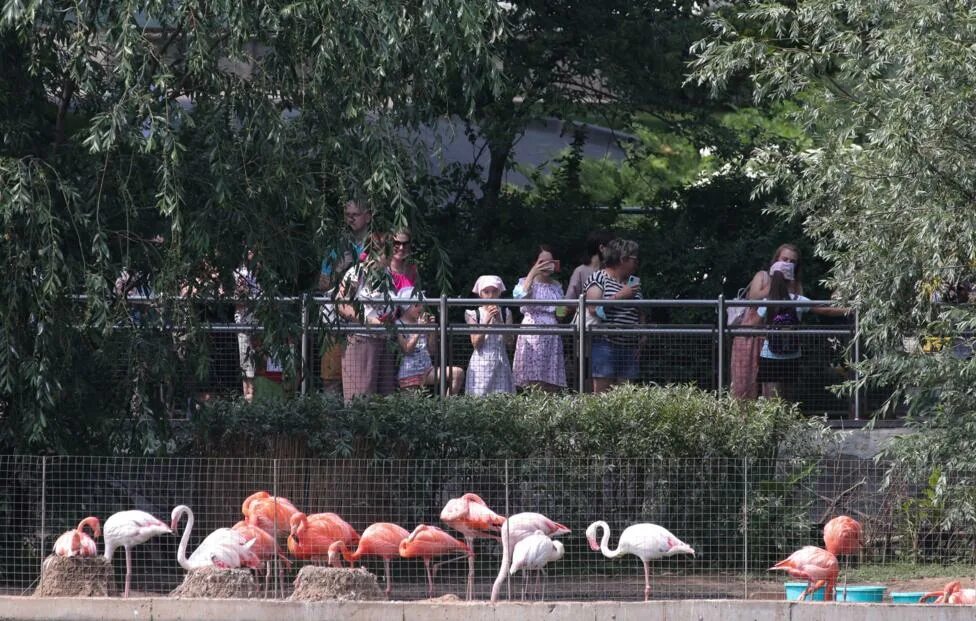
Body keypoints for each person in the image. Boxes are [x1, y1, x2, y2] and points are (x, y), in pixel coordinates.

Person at [757, 261, 849, 399]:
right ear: (791, 280)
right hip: (792, 355)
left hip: (769, 355)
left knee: (772, 398)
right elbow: (827, 311)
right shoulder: (798, 300)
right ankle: (788, 420)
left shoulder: (767, 302)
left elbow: (753, 324)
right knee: (789, 397)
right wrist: (851, 309)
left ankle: (774, 421)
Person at [730, 243, 805, 399]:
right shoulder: (763, 276)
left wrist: (788, 285)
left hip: (777, 343)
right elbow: (753, 298)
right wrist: (776, 281)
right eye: (785, 259)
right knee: (744, 385)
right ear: (776, 259)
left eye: (792, 262)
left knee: (775, 392)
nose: (788, 264)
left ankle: (774, 422)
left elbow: (797, 313)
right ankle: (741, 421)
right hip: (751, 337)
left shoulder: (796, 285)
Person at [319, 199, 372, 395]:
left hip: (364, 320)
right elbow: (322, 283)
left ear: (368, 216)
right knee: (331, 374)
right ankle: (331, 420)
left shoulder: (376, 244)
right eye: (347, 215)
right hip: (335, 318)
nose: (350, 219)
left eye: (355, 215)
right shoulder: (338, 245)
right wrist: (339, 269)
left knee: (362, 377)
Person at [584, 238, 645, 393]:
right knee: (602, 397)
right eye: (634, 259)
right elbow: (593, 307)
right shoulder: (599, 278)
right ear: (622, 259)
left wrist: (642, 336)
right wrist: (621, 295)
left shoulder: (633, 283)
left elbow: (640, 312)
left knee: (626, 398)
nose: (637, 263)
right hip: (605, 345)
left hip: (630, 347)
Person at [512, 245, 567, 392]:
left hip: (552, 335)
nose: (546, 265)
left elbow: (560, 312)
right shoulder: (525, 281)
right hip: (532, 333)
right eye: (542, 261)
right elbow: (519, 298)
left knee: (551, 382)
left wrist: (563, 311)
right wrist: (532, 273)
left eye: (550, 261)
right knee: (533, 381)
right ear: (535, 262)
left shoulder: (557, 285)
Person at [395, 287, 464, 395]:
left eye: (422, 304)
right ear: (406, 307)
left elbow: (432, 350)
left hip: (427, 370)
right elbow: (407, 349)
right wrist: (419, 329)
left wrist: (432, 330)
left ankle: (447, 406)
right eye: (416, 305)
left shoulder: (422, 322)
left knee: (457, 373)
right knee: (412, 409)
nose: (421, 308)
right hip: (409, 373)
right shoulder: (398, 324)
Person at [464, 275, 515, 395]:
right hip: (480, 365)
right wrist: (486, 321)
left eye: (494, 291)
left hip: (501, 364)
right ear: (480, 294)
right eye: (486, 292)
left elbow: (510, 342)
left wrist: (499, 321)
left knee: (502, 401)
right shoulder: (472, 314)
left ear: (499, 293)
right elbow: (476, 344)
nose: (491, 295)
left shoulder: (506, 312)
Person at [234, 250, 260, 402]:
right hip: (244, 316)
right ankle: (248, 399)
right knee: (245, 358)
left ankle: (259, 397)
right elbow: (237, 299)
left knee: (260, 357)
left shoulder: (264, 269)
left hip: (262, 316)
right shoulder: (238, 271)